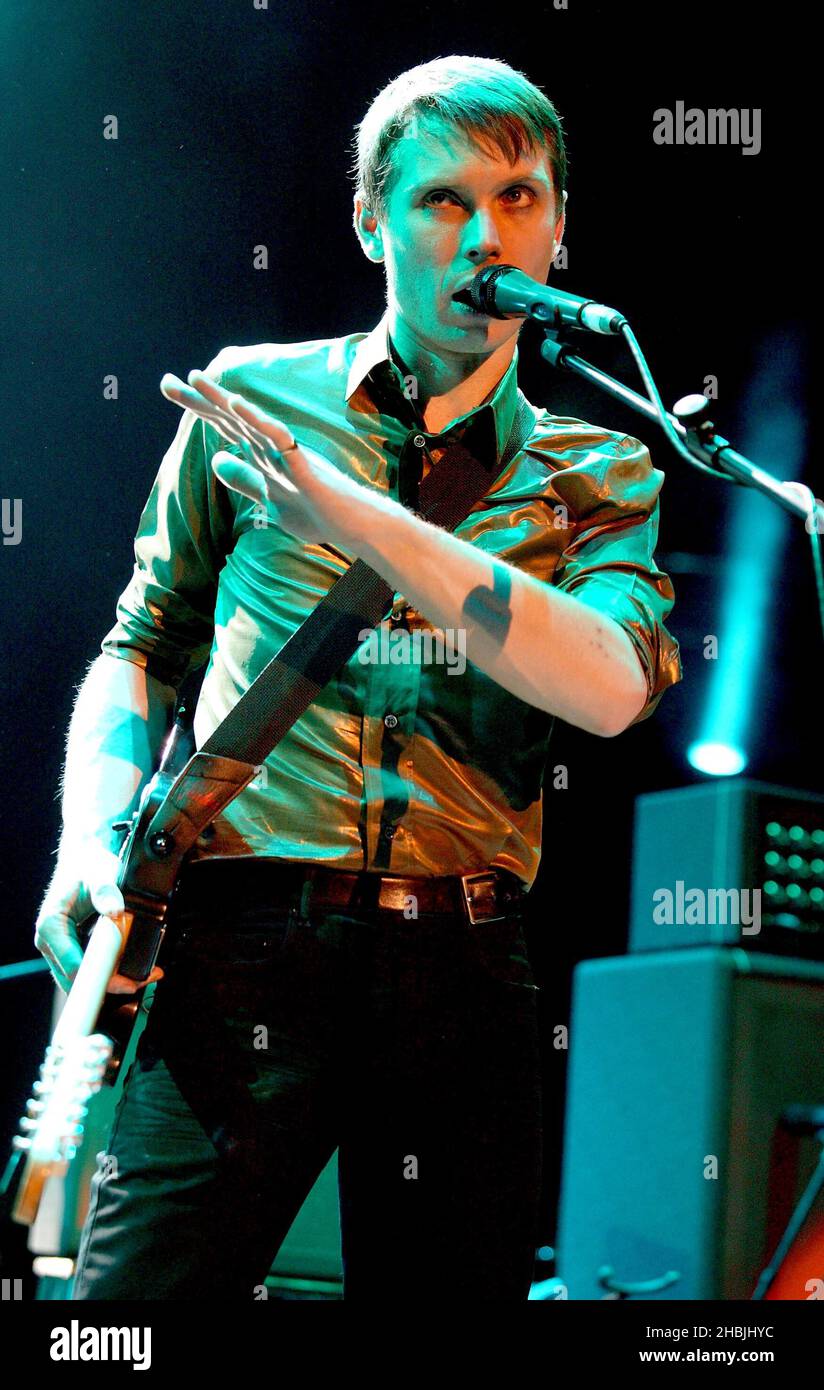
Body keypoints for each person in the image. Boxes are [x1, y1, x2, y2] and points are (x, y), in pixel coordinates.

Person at [34, 54, 682, 1300]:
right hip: (239, 949)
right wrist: (81, 836)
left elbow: (605, 690)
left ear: (557, 228)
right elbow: (143, 645)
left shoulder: (599, 467)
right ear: (369, 219)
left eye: (518, 198)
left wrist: (339, 508)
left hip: (464, 967)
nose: (482, 234)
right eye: (441, 200)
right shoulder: (252, 396)